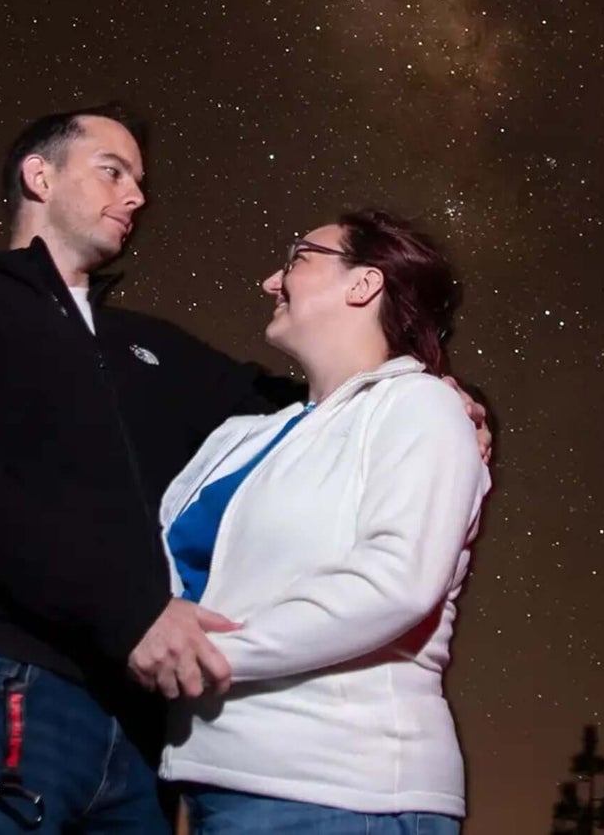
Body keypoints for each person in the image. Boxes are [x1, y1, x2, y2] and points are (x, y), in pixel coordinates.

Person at [0, 105, 491, 833]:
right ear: (38, 175)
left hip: (146, 726)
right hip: (13, 673)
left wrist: (446, 388)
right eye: (112, 170)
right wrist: (128, 613)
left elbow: (322, 402)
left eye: (141, 180)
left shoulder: (158, 349)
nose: (137, 194)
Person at [155, 210, 488, 835]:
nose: (269, 282)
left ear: (364, 285)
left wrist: (201, 655)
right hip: (216, 784)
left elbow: (397, 581)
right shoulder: (239, 437)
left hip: (344, 793)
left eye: (297, 259)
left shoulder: (422, 407)